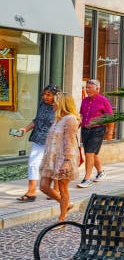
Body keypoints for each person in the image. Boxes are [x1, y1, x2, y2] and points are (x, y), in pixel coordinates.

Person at [10, 85, 58, 202]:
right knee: (33, 164)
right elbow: (37, 120)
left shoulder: (60, 107)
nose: (45, 97)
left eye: (48, 95)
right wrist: (25, 130)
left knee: (53, 166)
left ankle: (56, 190)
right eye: (44, 94)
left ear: (55, 96)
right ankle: (31, 192)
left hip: (53, 142)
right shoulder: (42, 104)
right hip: (38, 139)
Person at [39, 93, 80, 223]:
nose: (53, 104)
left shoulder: (70, 119)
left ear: (62, 104)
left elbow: (69, 142)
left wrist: (66, 161)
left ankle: (62, 219)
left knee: (63, 189)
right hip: (51, 158)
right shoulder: (58, 119)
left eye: (55, 102)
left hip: (64, 159)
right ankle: (66, 204)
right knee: (44, 186)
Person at [77, 79, 113, 188]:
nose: (87, 90)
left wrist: (110, 132)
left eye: (90, 88)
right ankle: (100, 172)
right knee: (92, 154)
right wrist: (75, 127)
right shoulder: (84, 101)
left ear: (97, 89)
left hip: (97, 130)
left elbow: (110, 116)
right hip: (85, 130)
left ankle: (87, 179)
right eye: (86, 88)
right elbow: (81, 116)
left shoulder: (103, 100)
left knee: (89, 153)